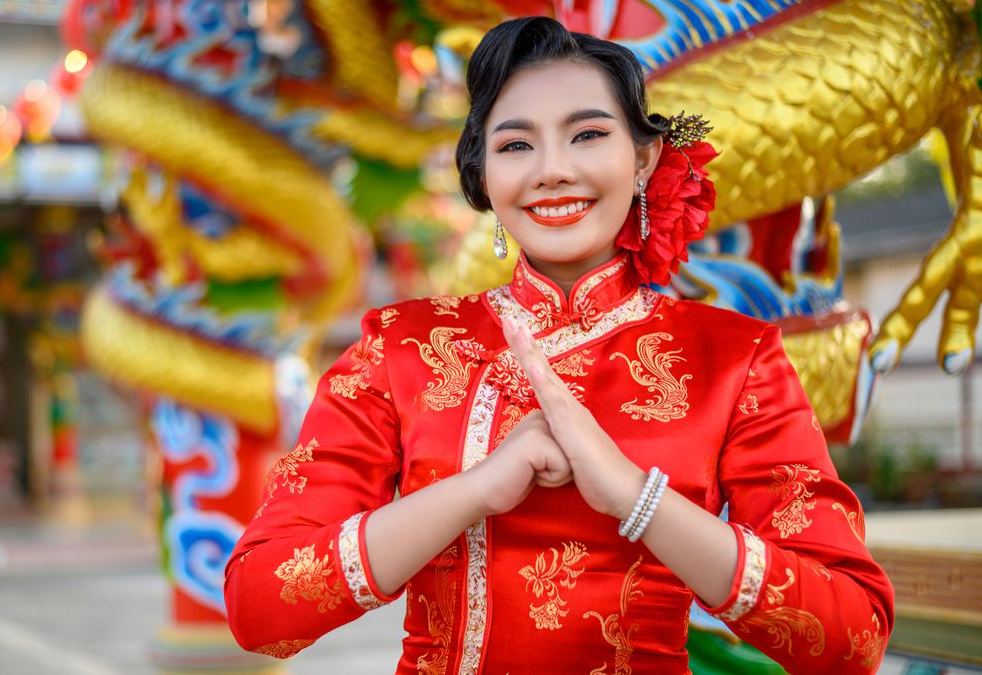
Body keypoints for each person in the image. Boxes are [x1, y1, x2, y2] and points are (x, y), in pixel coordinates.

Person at [224, 16, 894, 674]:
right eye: (516, 145)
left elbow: (852, 636)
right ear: (483, 173)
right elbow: (260, 608)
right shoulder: (398, 347)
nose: (552, 169)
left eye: (587, 135)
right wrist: (477, 490)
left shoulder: (735, 358)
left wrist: (637, 497)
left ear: (644, 158)